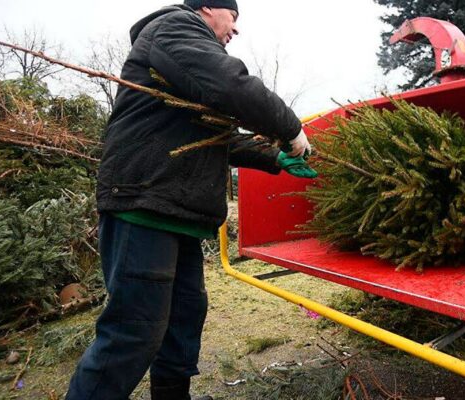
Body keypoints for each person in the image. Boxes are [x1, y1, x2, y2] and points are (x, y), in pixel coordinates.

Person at [65, 0, 315, 399]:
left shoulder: (183, 61)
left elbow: (214, 137)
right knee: (135, 331)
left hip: (176, 212)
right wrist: (290, 129)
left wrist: (273, 156)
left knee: (183, 321)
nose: (236, 29)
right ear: (208, 8)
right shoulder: (174, 28)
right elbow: (232, 85)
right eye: (234, 17)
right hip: (144, 204)